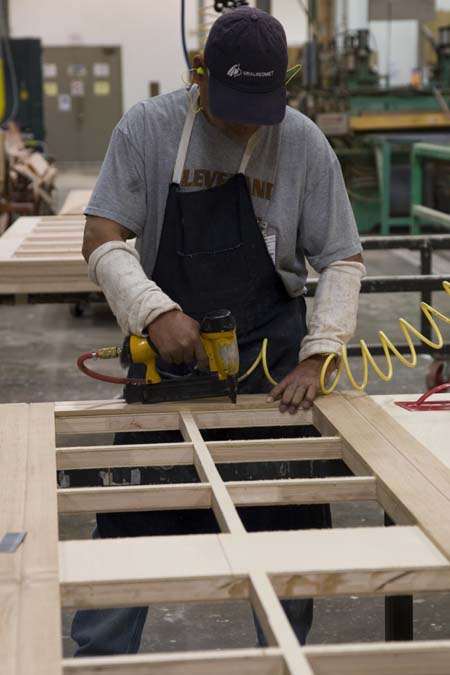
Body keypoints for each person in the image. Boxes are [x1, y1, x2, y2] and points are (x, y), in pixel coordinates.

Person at [71, 6, 365, 656]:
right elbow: (101, 235)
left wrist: (319, 355)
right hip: (167, 371)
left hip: (273, 375)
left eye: (259, 104)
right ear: (198, 73)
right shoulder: (148, 130)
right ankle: (95, 662)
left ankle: (285, 661)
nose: (243, 121)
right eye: (231, 102)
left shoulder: (304, 143)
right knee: (127, 541)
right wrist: (152, 308)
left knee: (286, 551)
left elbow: (341, 256)